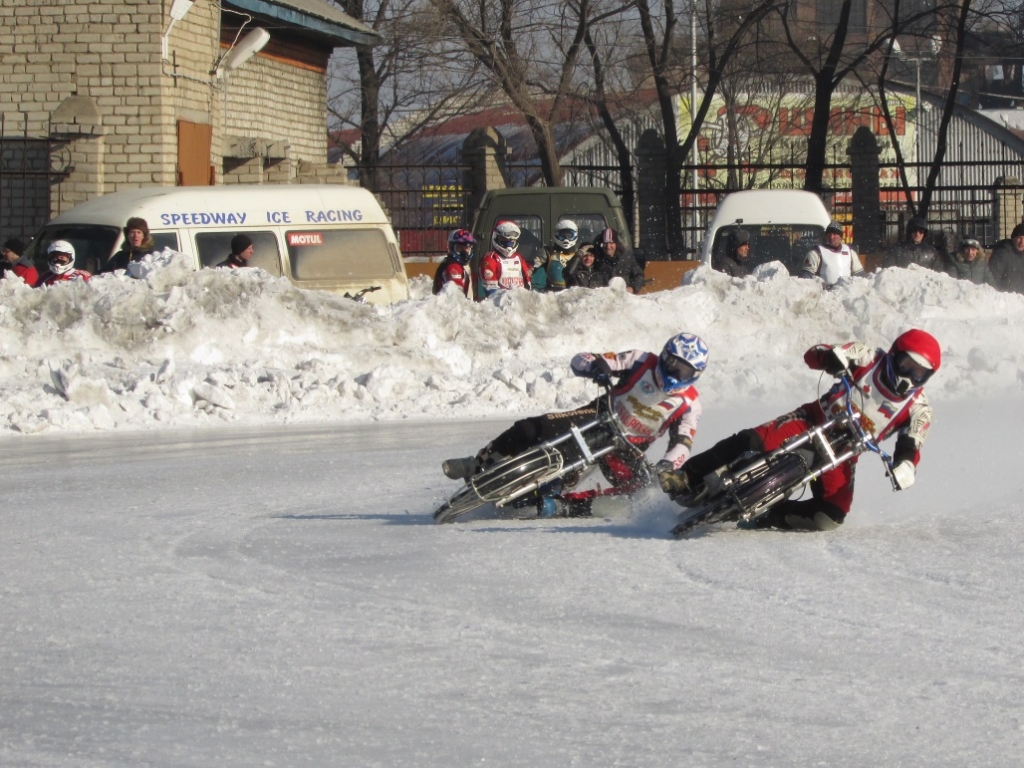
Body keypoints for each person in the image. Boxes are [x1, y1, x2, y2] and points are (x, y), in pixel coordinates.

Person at [660, 329, 939, 532]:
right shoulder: (869, 356)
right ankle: (687, 475)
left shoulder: (919, 407)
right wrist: (831, 357)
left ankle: (771, 516)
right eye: (906, 365)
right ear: (894, 355)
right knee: (752, 439)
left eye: (918, 373)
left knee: (830, 517)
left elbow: (912, 443)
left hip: (844, 453)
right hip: (813, 419)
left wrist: (906, 466)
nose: (908, 377)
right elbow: (816, 354)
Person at [441, 333, 710, 517]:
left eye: (683, 371)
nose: (674, 372)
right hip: (596, 417)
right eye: (671, 362)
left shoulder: (690, 404)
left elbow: (683, 443)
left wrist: (667, 466)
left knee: (640, 495)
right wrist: (596, 367)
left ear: (694, 375)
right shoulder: (641, 360)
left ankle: (563, 506)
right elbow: (582, 359)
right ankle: (478, 463)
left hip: (627, 448)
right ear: (664, 355)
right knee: (531, 428)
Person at [477, 219, 532, 298]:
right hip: (500, 305)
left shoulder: (519, 258)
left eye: (512, 240)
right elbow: (491, 292)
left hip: (520, 303)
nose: (509, 243)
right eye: (505, 239)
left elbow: (528, 284)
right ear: (496, 237)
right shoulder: (490, 258)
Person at [800, 220, 864, 287]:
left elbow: (860, 277)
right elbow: (805, 279)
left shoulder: (850, 253)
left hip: (846, 294)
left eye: (835, 234)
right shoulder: (815, 253)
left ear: (840, 237)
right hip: (825, 295)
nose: (831, 237)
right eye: (829, 234)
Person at [532, 219, 579, 292]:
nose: (566, 239)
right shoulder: (547, 252)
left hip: (573, 294)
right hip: (552, 293)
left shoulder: (578, 254)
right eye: (562, 235)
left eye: (570, 235)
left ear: (575, 236)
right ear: (556, 235)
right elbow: (534, 273)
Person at [594, 227, 644, 293]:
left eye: (611, 243)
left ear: (616, 244)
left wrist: (633, 288)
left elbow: (639, 275)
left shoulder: (626, 257)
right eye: (605, 243)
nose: (608, 246)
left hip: (623, 297)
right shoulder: (596, 258)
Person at [432, 228, 475, 297]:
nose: (464, 252)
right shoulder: (453, 266)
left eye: (466, 248)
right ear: (451, 247)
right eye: (459, 247)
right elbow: (457, 296)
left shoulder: (460, 265)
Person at [987, 222, 1024, 293]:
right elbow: (992, 278)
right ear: (1013, 239)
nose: (1022, 242)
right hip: (1006, 299)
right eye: (1019, 238)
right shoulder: (1002, 253)